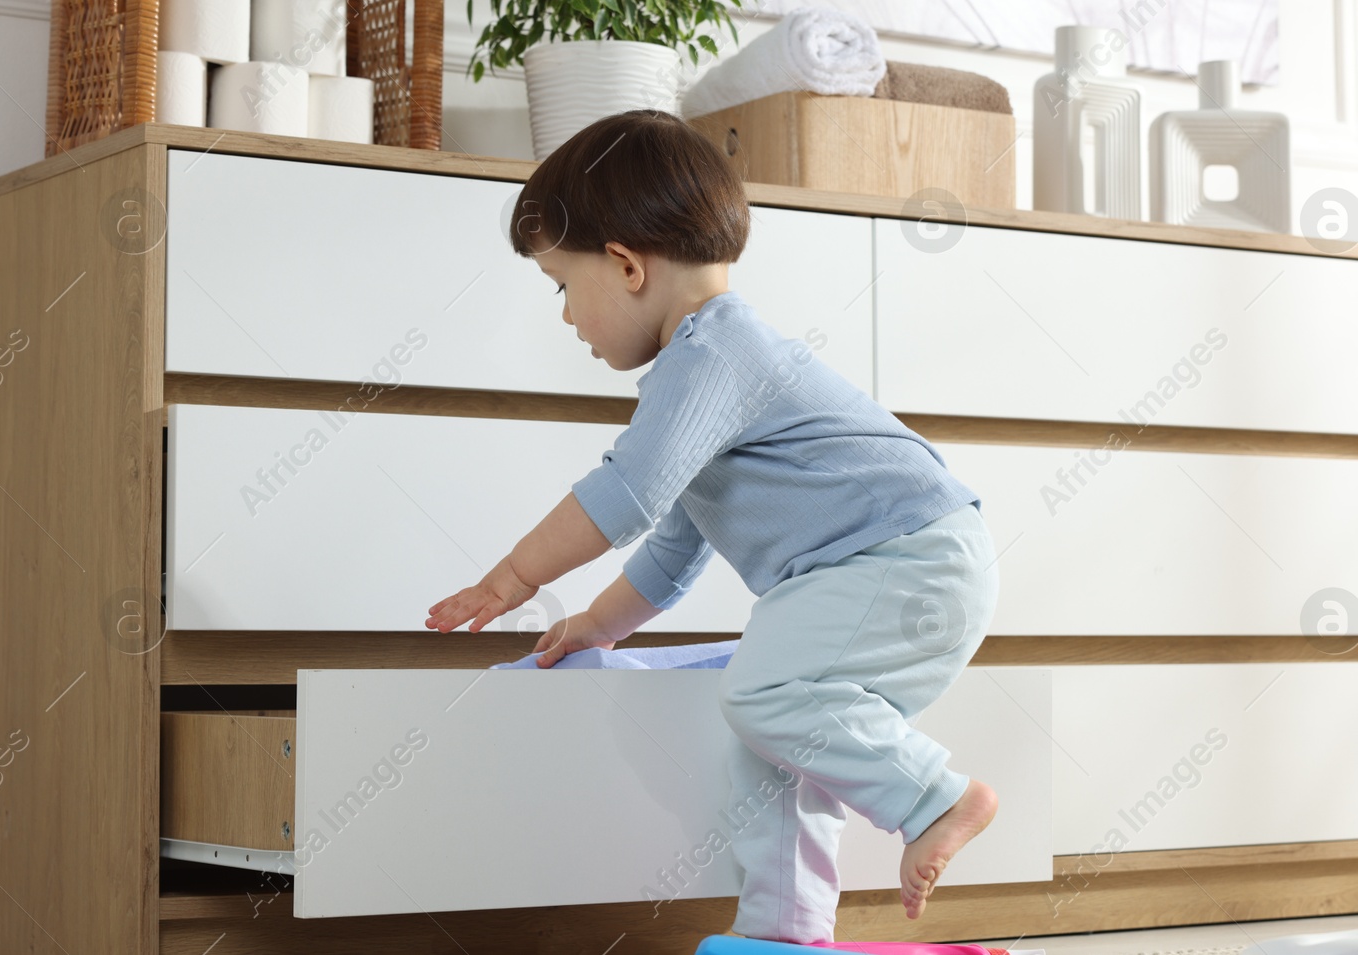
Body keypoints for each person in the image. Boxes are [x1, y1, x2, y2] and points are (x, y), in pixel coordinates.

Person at [425, 108, 1001, 943]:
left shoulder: (710, 355)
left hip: (902, 560)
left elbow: (628, 495)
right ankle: (783, 929)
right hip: (905, 565)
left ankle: (937, 796)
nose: (564, 316)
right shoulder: (708, 364)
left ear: (624, 264)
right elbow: (674, 549)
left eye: (561, 285)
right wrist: (594, 625)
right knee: (773, 750)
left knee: (763, 693)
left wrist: (512, 578)